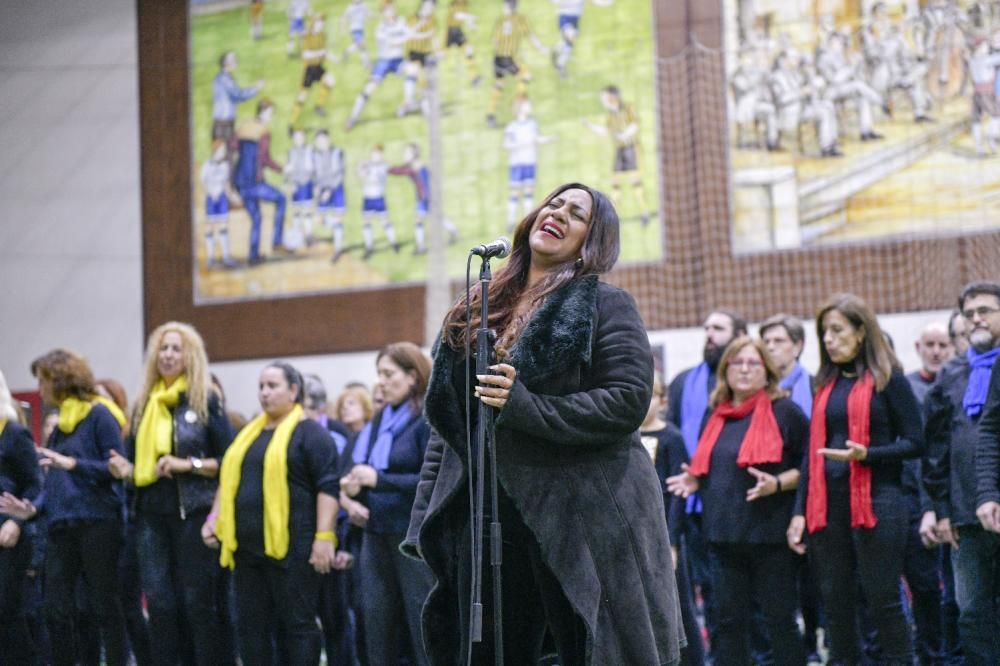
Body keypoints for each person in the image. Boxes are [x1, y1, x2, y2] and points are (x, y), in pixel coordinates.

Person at [402, 183, 684, 664]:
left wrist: (525, 406)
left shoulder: (605, 305)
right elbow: (447, 425)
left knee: (588, 650)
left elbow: (627, 400)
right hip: (490, 515)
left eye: (577, 214)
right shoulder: (478, 305)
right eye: (554, 204)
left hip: (580, 515)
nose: (558, 214)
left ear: (592, 242)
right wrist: (424, 513)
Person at [787, 293, 924, 666]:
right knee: (836, 606)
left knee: (883, 601)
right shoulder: (824, 384)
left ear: (861, 332)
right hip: (827, 508)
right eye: (824, 332)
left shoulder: (888, 379)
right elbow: (810, 456)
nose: (828, 339)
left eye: (837, 330)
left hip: (879, 502)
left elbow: (916, 442)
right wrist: (800, 511)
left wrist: (868, 455)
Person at [667, 336, 808, 665]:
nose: (744, 370)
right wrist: (695, 479)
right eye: (737, 363)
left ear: (766, 370)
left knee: (780, 622)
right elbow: (712, 465)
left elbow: (810, 467)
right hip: (722, 538)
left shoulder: (785, 411)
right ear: (726, 369)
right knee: (728, 625)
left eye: (753, 363)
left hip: (771, 538)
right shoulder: (714, 414)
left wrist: (776, 483)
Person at [201, 361, 348, 666]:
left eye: (273, 386)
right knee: (251, 630)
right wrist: (214, 520)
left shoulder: (310, 434)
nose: (264, 393)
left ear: (294, 390)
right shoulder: (247, 436)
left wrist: (324, 537)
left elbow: (328, 488)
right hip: (246, 553)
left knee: (297, 626)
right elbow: (229, 482)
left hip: (294, 552)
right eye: (261, 387)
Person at [105, 322, 233, 666]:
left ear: (190, 355)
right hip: (149, 515)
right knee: (160, 605)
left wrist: (186, 464)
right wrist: (125, 469)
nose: (169, 355)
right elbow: (134, 463)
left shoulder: (205, 399)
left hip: (194, 513)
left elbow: (229, 461)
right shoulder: (143, 404)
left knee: (197, 603)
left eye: (176, 348)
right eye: (163, 348)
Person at [0, 349, 129, 666]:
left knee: (104, 606)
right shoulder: (60, 427)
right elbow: (53, 483)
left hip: (98, 522)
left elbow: (117, 469)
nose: (40, 389)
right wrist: (30, 510)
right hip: (62, 525)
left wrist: (73, 463)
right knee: (55, 608)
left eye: (43, 381)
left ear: (61, 380)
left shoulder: (100, 416)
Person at [339, 342, 434, 666]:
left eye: (388, 374)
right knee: (377, 626)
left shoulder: (426, 418)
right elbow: (371, 471)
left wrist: (377, 481)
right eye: (378, 374)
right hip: (376, 534)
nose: (380, 381)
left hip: (411, 538)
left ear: (412, 377)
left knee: (420, 627)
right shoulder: (382, 420)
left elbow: (430, 480)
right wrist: (355, 489)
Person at [925, 281, 1000, 664]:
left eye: (985, 310)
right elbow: (934, 448)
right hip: (965, 513)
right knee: (971, 611)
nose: (976, 320)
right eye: (969, 314)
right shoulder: (951, 373)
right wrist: (940, 509)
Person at [667, 307, 747, 655]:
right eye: (706, 328)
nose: (709, 335)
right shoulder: (685, 381)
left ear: (739, 335)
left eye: (718, 328)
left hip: (739, 502)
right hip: (694, 503)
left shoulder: (746, 382)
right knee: (708, 590)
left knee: (744, 593)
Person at [641, 372, 706, 666]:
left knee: (679, 602)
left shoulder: (671, 437)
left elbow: (678, 495)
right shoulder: (626, 436)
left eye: (650, 396)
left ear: (663, 400)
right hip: (639, 532)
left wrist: (672, 542)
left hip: (667, 532)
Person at [0, 368, 42, 665]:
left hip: (8, 536)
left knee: (7, 614)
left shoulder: (13, 432)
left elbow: (37, 484)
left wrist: (17, 521)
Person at [582, 85, 652, 225]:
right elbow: (606, 131)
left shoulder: (628, 108)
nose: (603, 101)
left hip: (631, 148)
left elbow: (635, 124)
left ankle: (644, 212)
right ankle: (615, 215)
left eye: (604, 98)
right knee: (615, 183)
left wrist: (625, 134)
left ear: (612, 97)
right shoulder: (610, 116)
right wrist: (590, 126)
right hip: (620, 151)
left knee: (635, 182)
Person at [232, 99, 289, 265]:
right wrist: (282, 169)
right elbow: (265, 159)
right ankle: (277, 242)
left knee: (257, 218)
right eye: (270, 113)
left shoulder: (244, 126)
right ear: (263, 113)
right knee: (281, 198)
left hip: (240, 183)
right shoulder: (263, 132)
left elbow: (233, 146)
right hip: (254, 184)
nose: (271, 117)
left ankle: (254, 256)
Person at [486, 0, 547, 129]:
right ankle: (519, 109)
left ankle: (490, 114)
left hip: (497, 59)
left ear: (506, 7)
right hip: (510, 59)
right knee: (525, 77)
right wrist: (541, 48)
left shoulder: (500, 21)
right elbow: (531, 35)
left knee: (499, 84)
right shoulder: (520, 19)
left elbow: (494, 41)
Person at [289, 13, 336, 130]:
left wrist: (335, 59)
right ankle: (291, 123)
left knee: (330, 81)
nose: (322, 25)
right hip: (309, 69)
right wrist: (319, 53)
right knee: (303, 96)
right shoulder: (307, 36)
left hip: (318, 67)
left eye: (323, 23)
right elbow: (305, 54)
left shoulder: (322, 35)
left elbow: (325, 51)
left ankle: (319, 106)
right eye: (320, 23)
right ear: (314, 23)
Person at [760, 313, 813, 416]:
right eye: (766, 342)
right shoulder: (755, 388)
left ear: (797, 346)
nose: (770, 347)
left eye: (778, 341)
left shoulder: (816, 387)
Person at [201, 139, 241, 270]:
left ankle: (226, 256)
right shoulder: (206, 165)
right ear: (215, 150)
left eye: (224, 150)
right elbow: (204, 183)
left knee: (223, 227)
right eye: (222, 149)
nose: (223, 152)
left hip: (222, 199)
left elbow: (226, 185)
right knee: (210, 227)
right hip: (212, 199)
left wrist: (233, 197)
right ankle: (210, 257)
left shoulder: (225, 166)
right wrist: (211, 193)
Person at [211, 51, 263, 146]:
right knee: (224, 151)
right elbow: (238, 95)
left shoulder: (222, 77)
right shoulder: (225, 79)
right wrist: (256, 88)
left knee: (223, 151)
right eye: (234, 60)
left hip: (222, 121)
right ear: (227, 63)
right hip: (224, 122)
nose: (236, 62)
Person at [908, 322, 953, 404]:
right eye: (930, 345)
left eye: (942, 345)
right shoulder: (907, 386)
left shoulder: (959, 384)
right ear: (918, 347)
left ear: (952, 348)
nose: (936, 352)